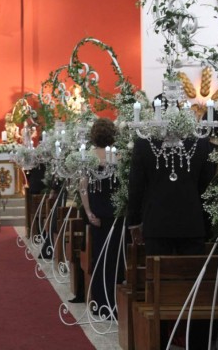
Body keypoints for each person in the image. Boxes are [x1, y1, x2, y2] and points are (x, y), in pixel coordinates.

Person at [127, 134, 215, 256]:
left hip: (156, 224)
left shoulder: (144, 142)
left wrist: (134, 222)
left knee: (157, 273)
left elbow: (136, 187)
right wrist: (208, 224)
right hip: (192, 223)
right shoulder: (200, 142)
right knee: (191, 273)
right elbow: (207, 186)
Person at [79, 118, 123, 314]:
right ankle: (115, 304)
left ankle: (100, 304)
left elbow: (83, 188)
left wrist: (88, 212)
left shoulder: (89, 156)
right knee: (115, 257)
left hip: (97, 212)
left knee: (100, 257)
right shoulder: (119, 155)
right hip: (116, 211)